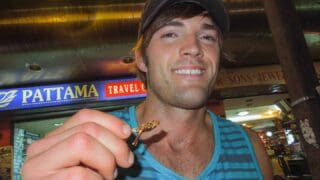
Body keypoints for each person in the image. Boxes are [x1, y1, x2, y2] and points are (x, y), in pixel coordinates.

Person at [22, 0, 273, 179]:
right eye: (171, 34)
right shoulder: (92, 145)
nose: (193, 48)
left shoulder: (250, 146)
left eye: (207, 37)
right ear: (142, 58)